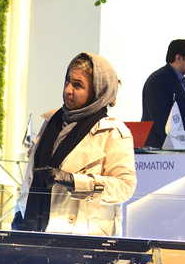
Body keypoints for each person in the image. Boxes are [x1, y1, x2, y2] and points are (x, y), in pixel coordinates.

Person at [16, 52, 136, 235]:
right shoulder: (52, 121)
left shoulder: (112, 131)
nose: (68, 90)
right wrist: (20, 212)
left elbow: (125, 188)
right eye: (67, 81)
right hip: (35, 229)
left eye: (78, 85)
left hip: (83, 236)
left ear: (97, 91)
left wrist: (74, 182)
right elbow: (32, 177)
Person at [141, 38, 185, 149]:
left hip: (179, 149)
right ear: (178, 58)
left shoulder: (179, 81)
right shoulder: (159, 80)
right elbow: (159, 119)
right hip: (162, 150)